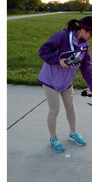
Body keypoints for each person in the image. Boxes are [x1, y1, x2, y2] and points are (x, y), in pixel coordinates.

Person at [38, 16, 92, 153]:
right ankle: (53, 138)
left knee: (70, 108)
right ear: (83, 29)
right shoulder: (61, 37)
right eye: (91, 34)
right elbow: (43, 51)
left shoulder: (84, 46)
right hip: (50, 80)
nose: (91, 37)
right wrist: (58, 60)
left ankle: (73, 133)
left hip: (66, 82)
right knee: (54, 110)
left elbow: (87, 69)